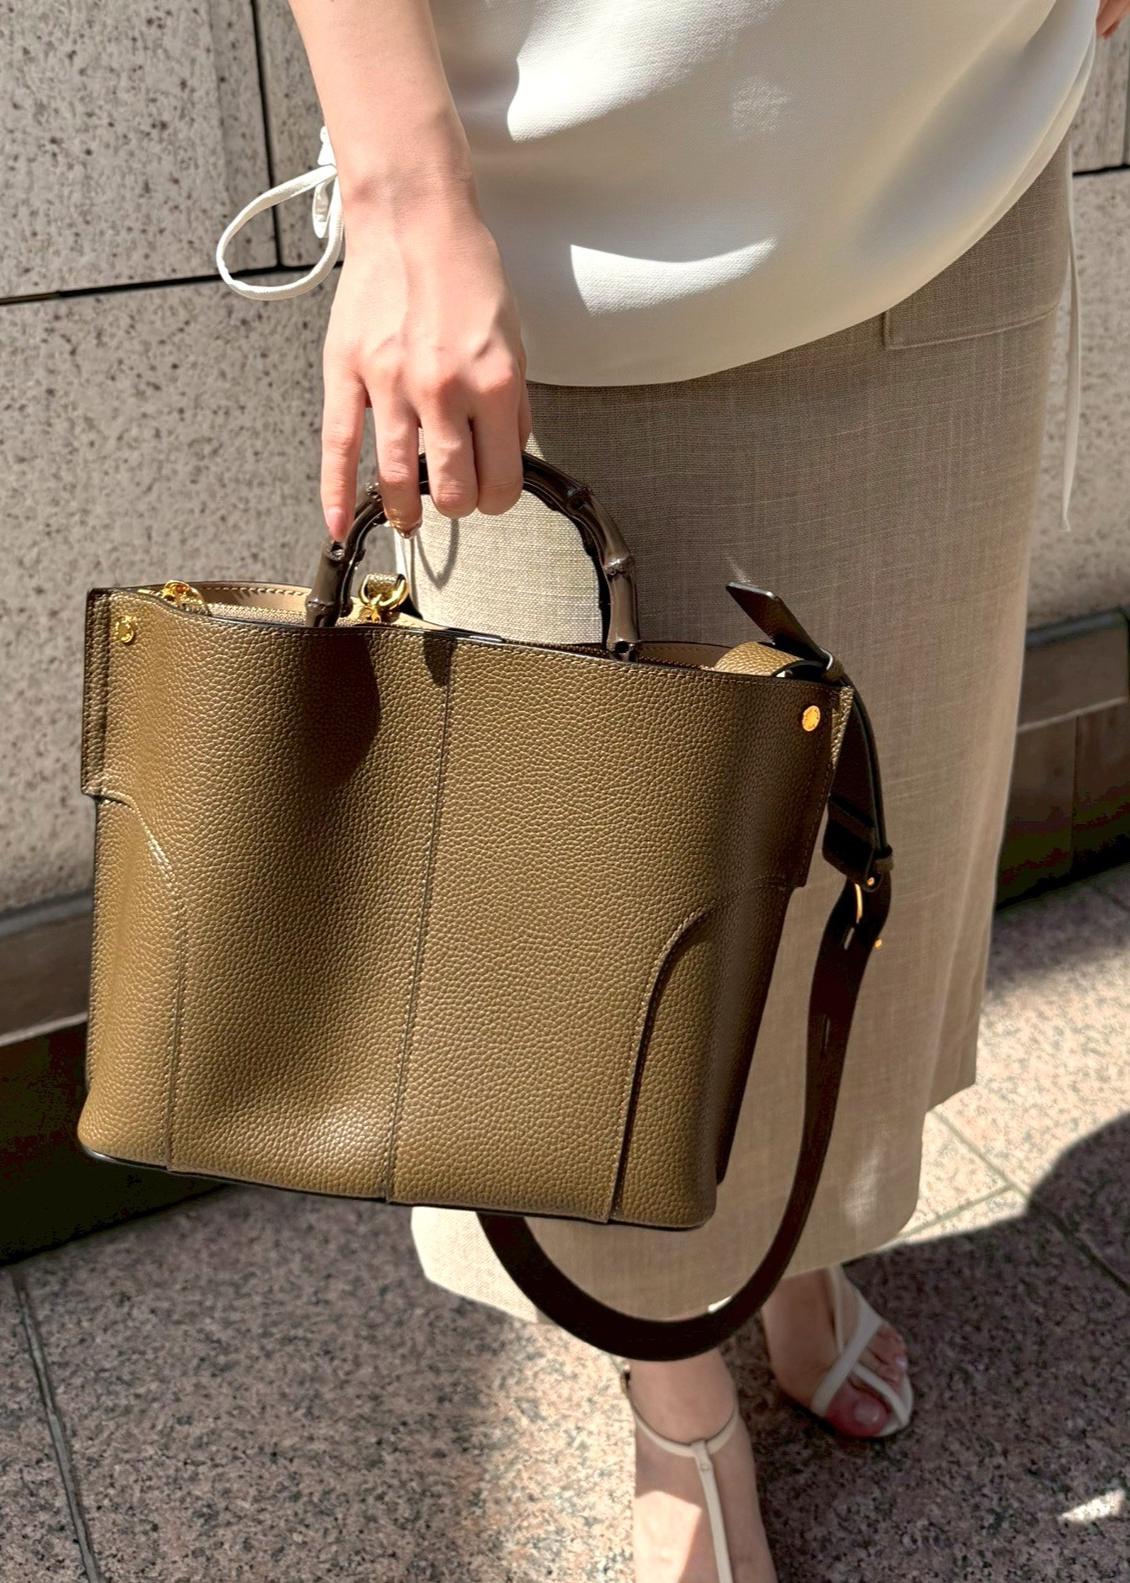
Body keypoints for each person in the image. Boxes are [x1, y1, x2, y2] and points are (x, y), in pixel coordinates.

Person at [236, 3, 1126, 1577]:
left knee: (868, 833)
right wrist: (400, 189)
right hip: (566, 213)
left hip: (953, 139)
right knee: (586, 959)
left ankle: (794, 1245)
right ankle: (675, 1393)